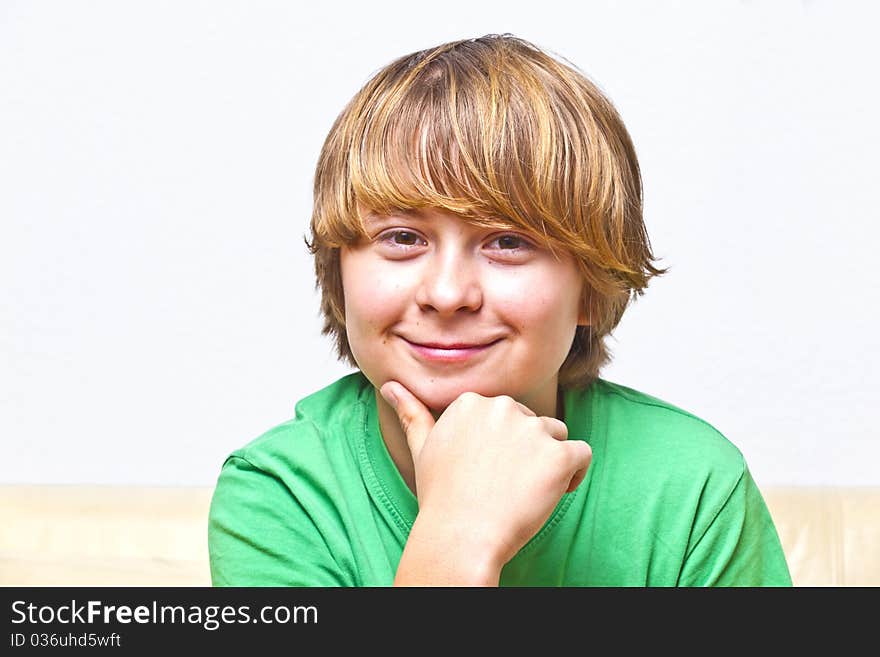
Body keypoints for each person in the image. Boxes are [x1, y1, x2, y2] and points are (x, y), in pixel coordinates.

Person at [207, 34, 792, 586]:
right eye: (403, 238)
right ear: (339, 270)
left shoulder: (691, 487)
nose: (446, 292)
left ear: (591, 284)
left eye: (508, 242)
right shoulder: (280, 493)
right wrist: (457, 538)